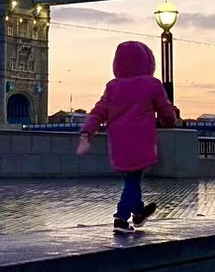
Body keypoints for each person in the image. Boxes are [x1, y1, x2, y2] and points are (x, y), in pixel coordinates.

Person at [77, 40, 180, 233]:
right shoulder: (151, 84)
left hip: (118, 143)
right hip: (141, 141)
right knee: (133, 179)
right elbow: (166, 110)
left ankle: (139, 213)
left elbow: (98, 112)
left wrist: (86, 133)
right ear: (148, 61)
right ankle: (121, 218)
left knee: (132, 177)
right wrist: (170, 121)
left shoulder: (113, 87)